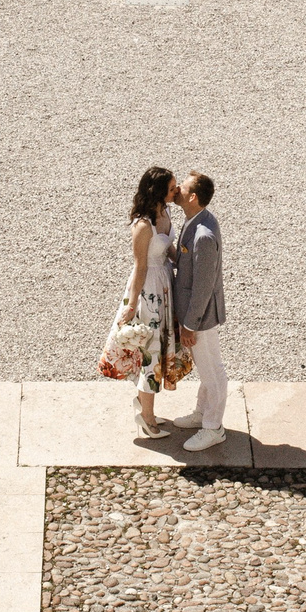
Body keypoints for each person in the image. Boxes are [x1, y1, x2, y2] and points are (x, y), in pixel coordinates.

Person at [114, 165, 178, 439]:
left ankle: (145, 406)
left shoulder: (165, 212)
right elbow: (140, 267)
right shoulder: (142, 225)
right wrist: (131, 306)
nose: (177, 192)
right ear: (158, 190)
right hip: (149, 289)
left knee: (162, 346)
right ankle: (147, 418)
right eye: (172, 188)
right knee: (151, 350)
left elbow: (170, 249)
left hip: (165, 284)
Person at [166, 173, 227, 451]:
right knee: (207, 368)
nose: (176, 190)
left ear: (193, 197)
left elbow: (202, 287)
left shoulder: (204, 235)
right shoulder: (196, 220)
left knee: (212, 371)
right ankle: (203, 413)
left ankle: (213, 428)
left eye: (183, 188)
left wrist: (189, 325)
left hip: (200, 316)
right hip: (197, 314)